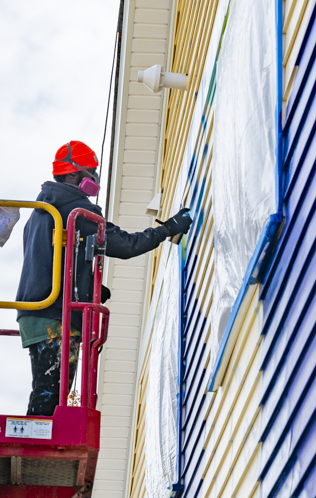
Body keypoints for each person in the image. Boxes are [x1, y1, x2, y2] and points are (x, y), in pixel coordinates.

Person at [16, 141, 192, 416]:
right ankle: (34, 440)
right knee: (51, 391)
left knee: (47, 386)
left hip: (36, 312)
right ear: (73, 174)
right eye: (91, 174)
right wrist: (166, 230)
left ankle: (34, 435)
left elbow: (54, 261)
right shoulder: (76, 210)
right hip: (57, 315)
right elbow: (125, 245)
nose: (95, 181)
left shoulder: (42, 211)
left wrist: (88, 286)